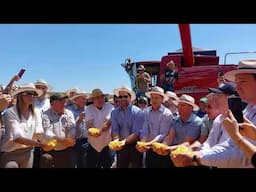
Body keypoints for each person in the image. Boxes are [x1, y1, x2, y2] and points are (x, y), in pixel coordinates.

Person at [0, 83, 45, 168]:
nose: (32, 96)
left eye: (34, 94)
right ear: (20, 96)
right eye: (28, 94)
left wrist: (48, 141)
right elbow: (17, 138)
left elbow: (39, 133)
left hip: (28, 152)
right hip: (10, 154)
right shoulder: (10, 112)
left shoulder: (36, 113)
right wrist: (41, 145)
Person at [221, 59, 256, 168]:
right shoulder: (246, 111)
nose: (237, 87)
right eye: (236, 83)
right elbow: (230, 146)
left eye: (242, 81)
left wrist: (197, 158)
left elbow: (243, 156)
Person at [136, 86, 173, 168]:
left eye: (156, 98)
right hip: (150, 149)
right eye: (152, 97)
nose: (153, 100)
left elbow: (163, 134)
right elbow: (145, 129)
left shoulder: (167, 113)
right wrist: (143, 142)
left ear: (162, 99)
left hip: (161, 149)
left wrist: (148, 143)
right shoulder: (147, 111)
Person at [111, 86, 144, 168]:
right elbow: (115, 130)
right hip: (121, 146)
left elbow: (136, 133)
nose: (122, 99)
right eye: (120, 97)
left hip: (135, 146)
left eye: (125, 96)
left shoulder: (138, 112)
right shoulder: (114, 113)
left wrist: (122, 142)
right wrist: (116, 142)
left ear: (130, 98)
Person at [40, 93, 76, 168]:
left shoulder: (69, 113)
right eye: (61, 101)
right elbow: (47, 131)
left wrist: (71, 139)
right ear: (52, 103)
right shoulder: (46, 115)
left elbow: (72, 128)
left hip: (65, 150)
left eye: (64, 101)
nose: (64, 103)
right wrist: (61, 140)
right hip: (50, 150)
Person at [85, 88, 114, 168]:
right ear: (93, 100)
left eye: (101, 97)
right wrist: (91, 131)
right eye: (97, 98)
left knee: (107, 165)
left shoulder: (109, 107)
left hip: (106, 144)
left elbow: (108, 122)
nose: (100, 99)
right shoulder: (89, 108)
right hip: (92, 144)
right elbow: (89, 124)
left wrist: (99, 131)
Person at [66, 89, 89, 168]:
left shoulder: (88, 109)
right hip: (72, 143)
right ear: (76, 99)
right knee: (71, 164)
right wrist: (78, 120)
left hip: (85, 142)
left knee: (84, 165)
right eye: (83, 98)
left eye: (85, 98)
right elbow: (68, 126)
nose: (85, 100)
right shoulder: (68, 110)